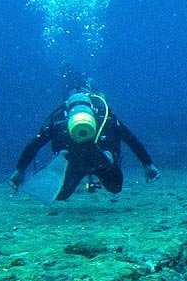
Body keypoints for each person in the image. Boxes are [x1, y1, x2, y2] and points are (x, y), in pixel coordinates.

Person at [10, 72, 159, 200]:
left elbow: (35, 144)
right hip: (102, 162)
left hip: (74, 161)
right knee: (115, 187)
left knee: (61, 195)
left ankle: (66, 155)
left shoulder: (59, 118)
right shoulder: (104, 114)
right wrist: (148, 165)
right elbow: (131, 140)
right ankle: (106, 155)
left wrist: (20, 170)